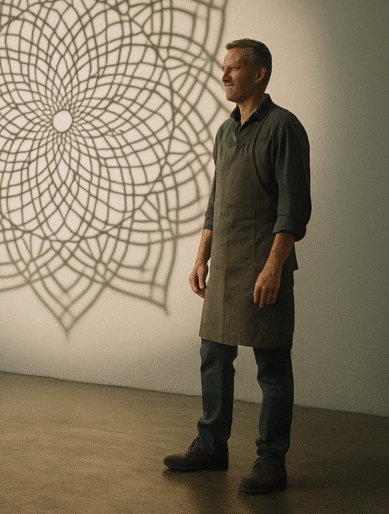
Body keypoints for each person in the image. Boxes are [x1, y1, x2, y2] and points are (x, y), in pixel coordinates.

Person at [163, 38, 311, 494]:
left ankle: (271, 461)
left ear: (259, 73)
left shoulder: (284, 127)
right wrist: (201, 256)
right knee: (213, 356)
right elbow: (216, 201)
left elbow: (293, 209)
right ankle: (211, 446)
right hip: (225, 266)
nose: (224, 75)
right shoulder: (225, 132)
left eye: (234, 68)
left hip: (264, 265)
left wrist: (274, 268)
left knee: (271, 365)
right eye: (223, 67)